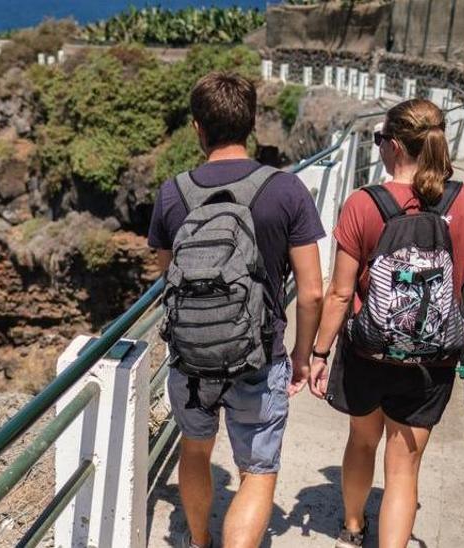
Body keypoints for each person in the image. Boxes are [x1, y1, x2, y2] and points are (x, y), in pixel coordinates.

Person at [149, 71, 325, 548]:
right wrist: (303, 356)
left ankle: (199, 540)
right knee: (257, 471)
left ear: (197, 128)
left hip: (192, 360)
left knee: (195, 451)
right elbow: (311, 292)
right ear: (251, 124)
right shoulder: (286, 190)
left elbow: (169, 277)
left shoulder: (173, 192)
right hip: (259, 355)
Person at [306, 98, 464, 548]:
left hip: (368, 351)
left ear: (391, 147)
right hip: (433, 360)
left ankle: (352, 528)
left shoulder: (364, 204)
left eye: (378, 139)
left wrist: (318, 352)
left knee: (362, 441)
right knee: (404, 467)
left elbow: (341, 293)